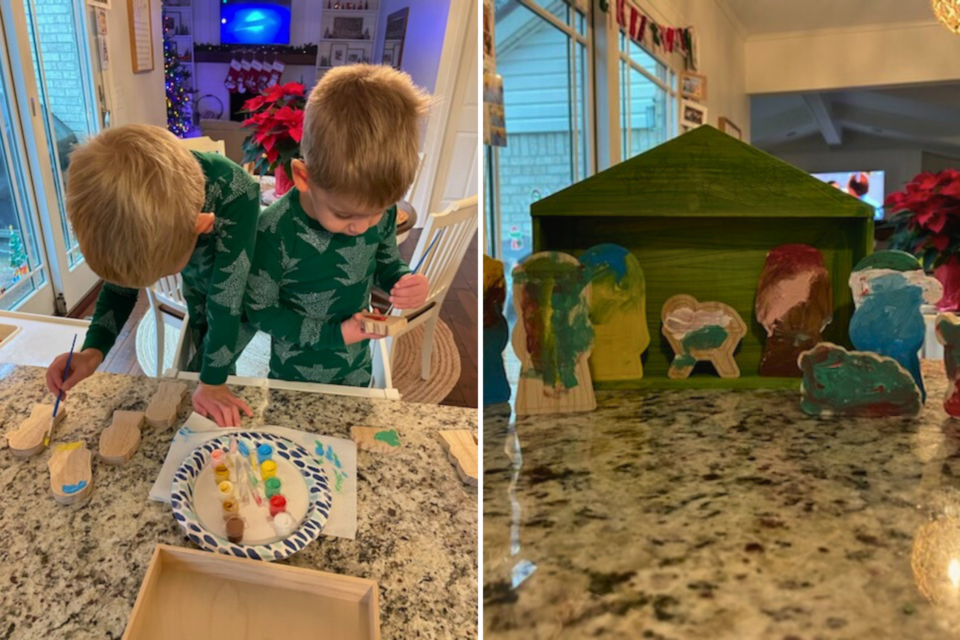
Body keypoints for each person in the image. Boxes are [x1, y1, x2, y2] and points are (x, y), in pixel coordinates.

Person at [45, 125, 259, 427]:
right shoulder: (123, 193)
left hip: (242, 288)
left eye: (161, 271)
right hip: (199, 284)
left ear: (200, 226)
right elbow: (120, 288)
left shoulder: (238, 192)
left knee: (217, 357)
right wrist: (93, 350)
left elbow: (228, 300)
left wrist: (213, 381)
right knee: (202, 341)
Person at [245, 65, 429, 385]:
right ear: (303, 177)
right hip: (292, 376)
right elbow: (260, 311)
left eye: (378, 212)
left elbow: (385, 261)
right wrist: (335, 334)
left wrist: (403, 281)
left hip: (356, 369)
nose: (363, 226)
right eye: (345, 215)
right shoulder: (273, 230)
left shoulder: (380, 215)